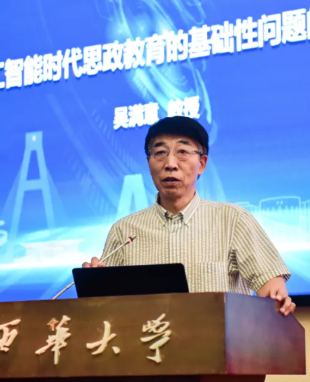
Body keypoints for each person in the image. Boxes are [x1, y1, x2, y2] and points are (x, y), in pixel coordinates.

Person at [83, 116, 295, 315]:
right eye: (160, 153)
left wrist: (278, 298)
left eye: (182, 152)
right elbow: (106, 311)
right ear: (149, 162)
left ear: (201, 164)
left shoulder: (233, 220)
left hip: (219, 342)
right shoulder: (124, 231)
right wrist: (93, 283)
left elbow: (272, 290)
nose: (170, 164)